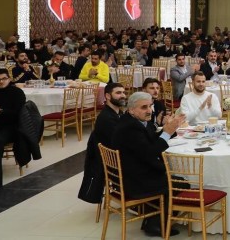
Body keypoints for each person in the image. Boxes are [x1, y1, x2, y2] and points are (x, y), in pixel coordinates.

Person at [112, 92, 184, 236]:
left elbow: (149, 140)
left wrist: (169, 129)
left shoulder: (137, 121)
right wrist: (166, 133)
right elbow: (150, 152)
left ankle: (152, 220)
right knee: (181, 184)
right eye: (144, 107)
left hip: (135, 172)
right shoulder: (129, 128)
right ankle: (157, 225)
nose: (149, 110)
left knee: (175, 178)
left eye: (150, 106)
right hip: (134, 180)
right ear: (131, 110)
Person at [77, 82, 126, 204]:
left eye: (124, 92)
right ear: (108, 96)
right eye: (118, 93)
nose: (123, 95)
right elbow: (121, 144)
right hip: (115, 165)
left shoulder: (118, 114)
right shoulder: (107, 118)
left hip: (116, 160)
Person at [0, 67, 26, 188]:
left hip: (11, 127)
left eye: (4, 78)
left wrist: (0, 111)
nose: (1, 81)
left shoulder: (16, 93)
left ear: (9, 79)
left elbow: (18, 114)